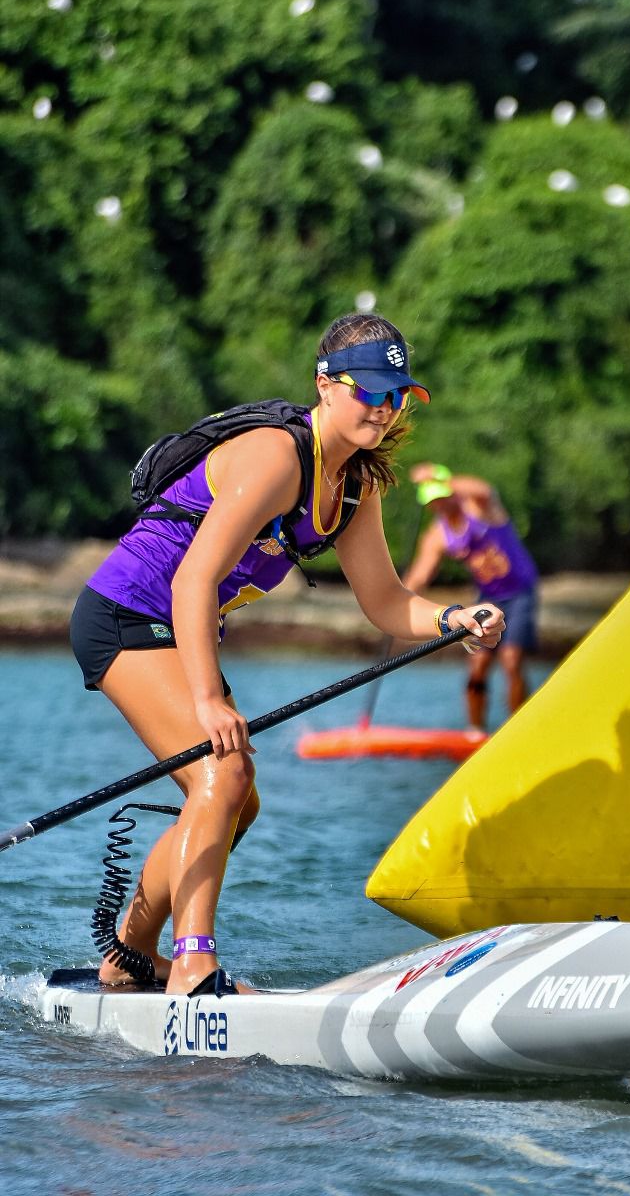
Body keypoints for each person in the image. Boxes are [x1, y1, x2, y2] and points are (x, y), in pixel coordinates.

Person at [69, 315, 505, 998]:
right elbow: (192, 581)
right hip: (125, 615)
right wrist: (208, 700)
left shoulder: (356, 486)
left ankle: (130, 954)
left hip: (177, 625)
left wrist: (454, 618)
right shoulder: (275, 456)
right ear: (325, 384)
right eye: (371, 391)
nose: (385, 409)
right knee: (224, 775)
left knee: (236, 800)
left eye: (397, 396)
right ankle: (193, 966)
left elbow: (386, 602)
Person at [403, 463, 538, 733]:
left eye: (443, 497)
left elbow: (485, 489)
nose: (439, 505)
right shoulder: (438, 535)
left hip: (520, 593)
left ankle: (520, 730)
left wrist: (439, 476)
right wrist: (402, 600)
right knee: (478, 665)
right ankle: (475, 732)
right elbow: (421, 574)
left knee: (511, 660)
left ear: (452, 492)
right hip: (488, 598)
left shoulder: (480, 509)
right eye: (433, 501)